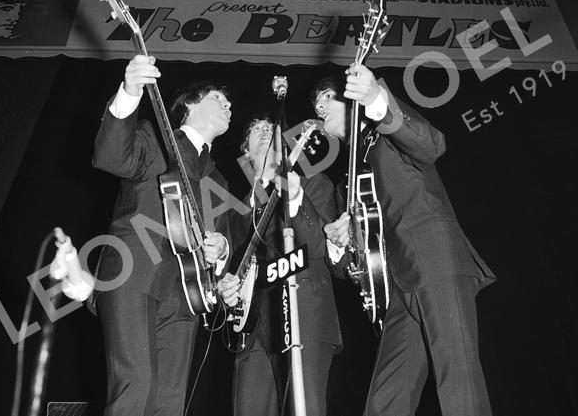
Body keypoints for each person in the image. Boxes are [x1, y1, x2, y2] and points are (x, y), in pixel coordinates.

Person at [314, 64, 496, 416]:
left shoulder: (386, 132)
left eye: (326, 99)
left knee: (459, 380)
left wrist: (376, 99)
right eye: (316, 107)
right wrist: (340, 242)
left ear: (352, 94)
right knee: (386, 398)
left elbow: (432, 145)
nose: (319, 110)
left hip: (433, 258)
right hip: (396, 284)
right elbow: (350, 267)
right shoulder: (345, 186)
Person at [91, 54, 232, 416]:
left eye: (229, 102)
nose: (229, 105)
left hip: (186, 293)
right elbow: (111, 158)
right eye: (218, 98)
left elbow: (220, 244)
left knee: (169, 401)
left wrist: (220, 249)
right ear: (189, 106)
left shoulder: (218, 180)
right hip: (133, 271)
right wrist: (129, 91)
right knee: (136, 386)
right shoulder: (157, 139)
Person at [217, 117, 341, 416]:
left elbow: (321, 246)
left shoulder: (314, 184)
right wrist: (224, 286)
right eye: (255, 129)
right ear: (245, 152)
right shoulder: (233, 211)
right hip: (252, 327)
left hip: (305, 314)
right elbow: (229, 269)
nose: (263, 132)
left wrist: (295, 196)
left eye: (270, 130)